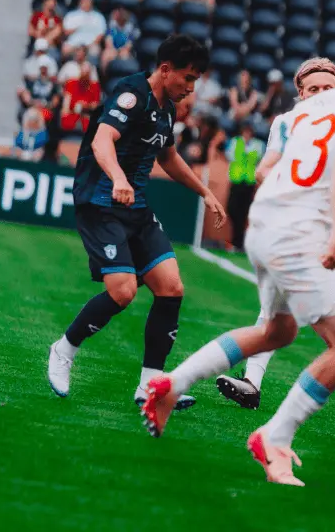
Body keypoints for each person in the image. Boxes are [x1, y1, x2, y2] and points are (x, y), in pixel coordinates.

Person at [139, 21, 335, 489]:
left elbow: (267, 168)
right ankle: (275, 437)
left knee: (277, 330)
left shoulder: (304, 109)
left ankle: (169, 384)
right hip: (304, 232)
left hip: (264, 225)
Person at [217, 57, 335, 425]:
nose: (320, 94)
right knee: (277, 304)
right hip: (307, 226)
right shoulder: (287, 124)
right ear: (301, 94)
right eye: (313, 89)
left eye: (327, 88)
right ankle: (251, 383)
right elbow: (266, 169)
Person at [46, 35, 226, 410]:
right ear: (165, 70)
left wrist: (204, 192)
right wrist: (118, 178)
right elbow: (102, 141)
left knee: (171, 287)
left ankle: (149, 386)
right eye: (187, 78)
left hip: (136, 207)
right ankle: (64, 350)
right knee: (123, 291)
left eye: (195, 80)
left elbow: (168, 157)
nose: (191, 88)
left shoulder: (167, 109)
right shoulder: (131, 95)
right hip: (100, 204)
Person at [224, 120, 263, 251]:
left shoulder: (257, 144)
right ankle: (238, 240)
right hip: (236, 179)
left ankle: (238, 242)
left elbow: (257, 158)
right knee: (231, 209)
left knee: (243, 212)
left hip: (248, 182)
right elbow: (230, 156)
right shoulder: (235, 142)